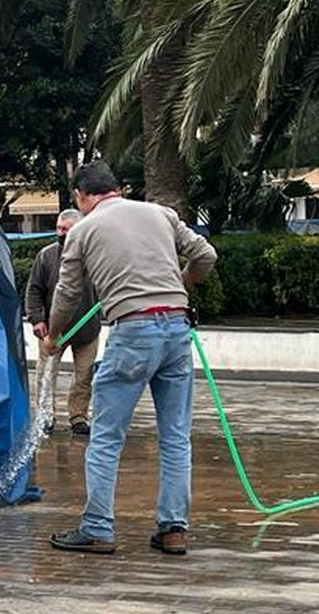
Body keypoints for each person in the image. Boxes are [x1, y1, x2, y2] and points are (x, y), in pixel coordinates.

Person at [43, 162, 217, 557]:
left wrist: (54, 337)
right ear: (117, 188)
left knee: (106, 437)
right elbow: (206, 255)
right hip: (177, 330)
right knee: (176, 436)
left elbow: (67, 294)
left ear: (80, 196)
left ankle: (97, 529)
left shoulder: (83, 230)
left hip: (132, 332)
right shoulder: (161, 214)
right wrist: (181, 283)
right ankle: (173, 530)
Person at [24, 209, 100, 438]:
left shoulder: (96, 257)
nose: (60, 233)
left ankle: (78, 417)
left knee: (84, 376)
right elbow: (34, 289)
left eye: (65, 229)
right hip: (52, 331)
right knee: (46, 374)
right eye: (58, 228)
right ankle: (46, 416)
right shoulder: (46, 256)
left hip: (87, 330)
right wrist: (36, 319)